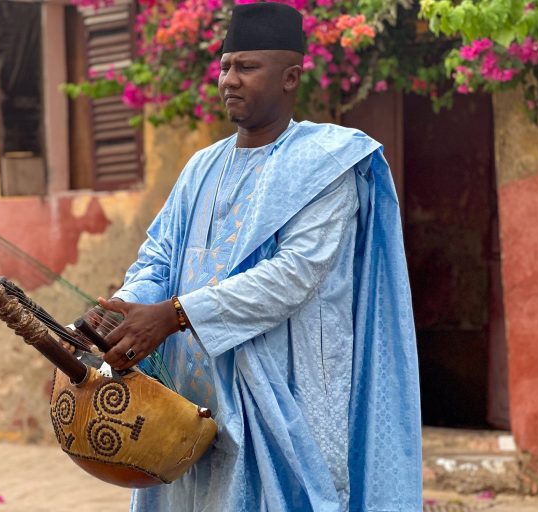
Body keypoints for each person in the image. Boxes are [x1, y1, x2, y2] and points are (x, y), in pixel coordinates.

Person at [96, 3, 422, 511]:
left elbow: (293, 276)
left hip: (285, 390)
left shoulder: (326, 164)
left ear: (291, 76)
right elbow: (159, 258)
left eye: (247, 67)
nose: (229, 79)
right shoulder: (202, 167)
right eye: (225, 66)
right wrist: (122, 309)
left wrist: (176, 315)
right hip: (190, 396)